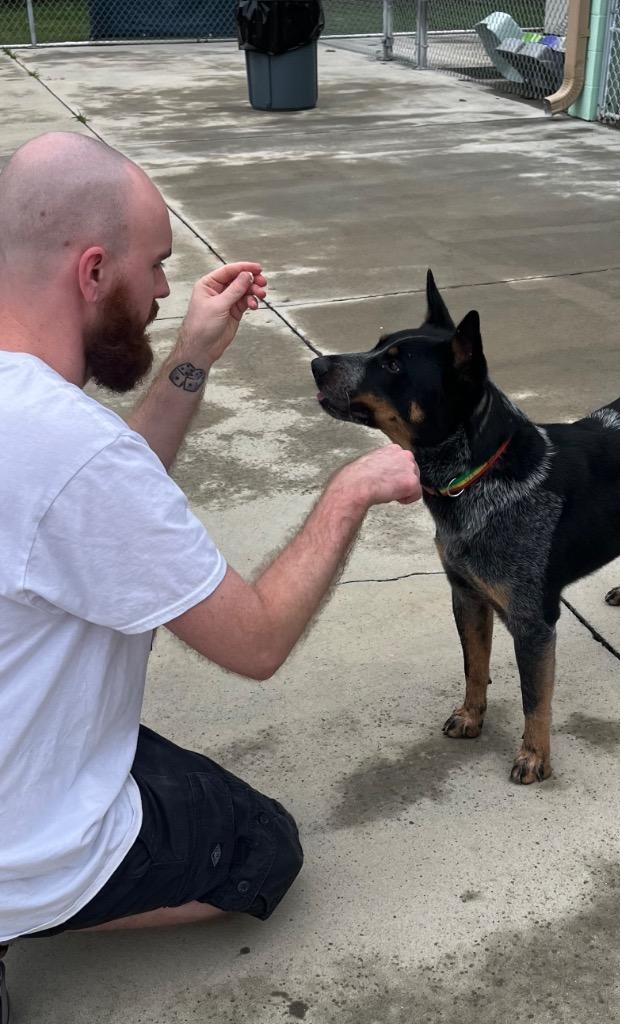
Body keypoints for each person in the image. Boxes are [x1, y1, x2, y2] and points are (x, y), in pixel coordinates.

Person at [0, 132, 421, 1018]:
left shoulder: (38, 425)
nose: (162, 290)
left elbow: (100, 498)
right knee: (266, 849)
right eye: (155, 266)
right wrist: (353, 489)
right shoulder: (74, 453)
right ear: (91, 271)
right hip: (17, 835)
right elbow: (257, 639)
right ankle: (31, 899)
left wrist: (191, 355)